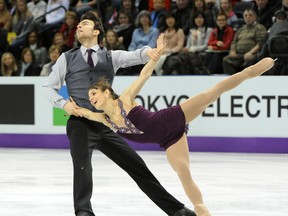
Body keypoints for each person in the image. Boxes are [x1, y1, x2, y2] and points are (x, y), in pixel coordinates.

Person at [73, 33, 275, 216]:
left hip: (171, 118)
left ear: (106, 92)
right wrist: (67, 105)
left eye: (93, 94)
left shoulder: (124, 99)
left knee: (211, 94)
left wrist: (158, 53)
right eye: (89, 96)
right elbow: (84, 113)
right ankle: (201, 209)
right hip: (167, 140)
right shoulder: (104, 119)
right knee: (182, 171)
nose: (91, 99)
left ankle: (250, 71)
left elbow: (144, 75)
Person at [42, 11, 196, 216]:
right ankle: (83, 211)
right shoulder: (66, 58)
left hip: (106, 123)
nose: (79, 26)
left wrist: (149, 53)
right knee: (82, 165)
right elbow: (48, 88)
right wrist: (64, 105)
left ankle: (177, 210)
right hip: (79, 122)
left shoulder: (110, 56)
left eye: (84, 23)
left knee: (137, 165)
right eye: (78, 24)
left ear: (96, 31)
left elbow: (133, 56)